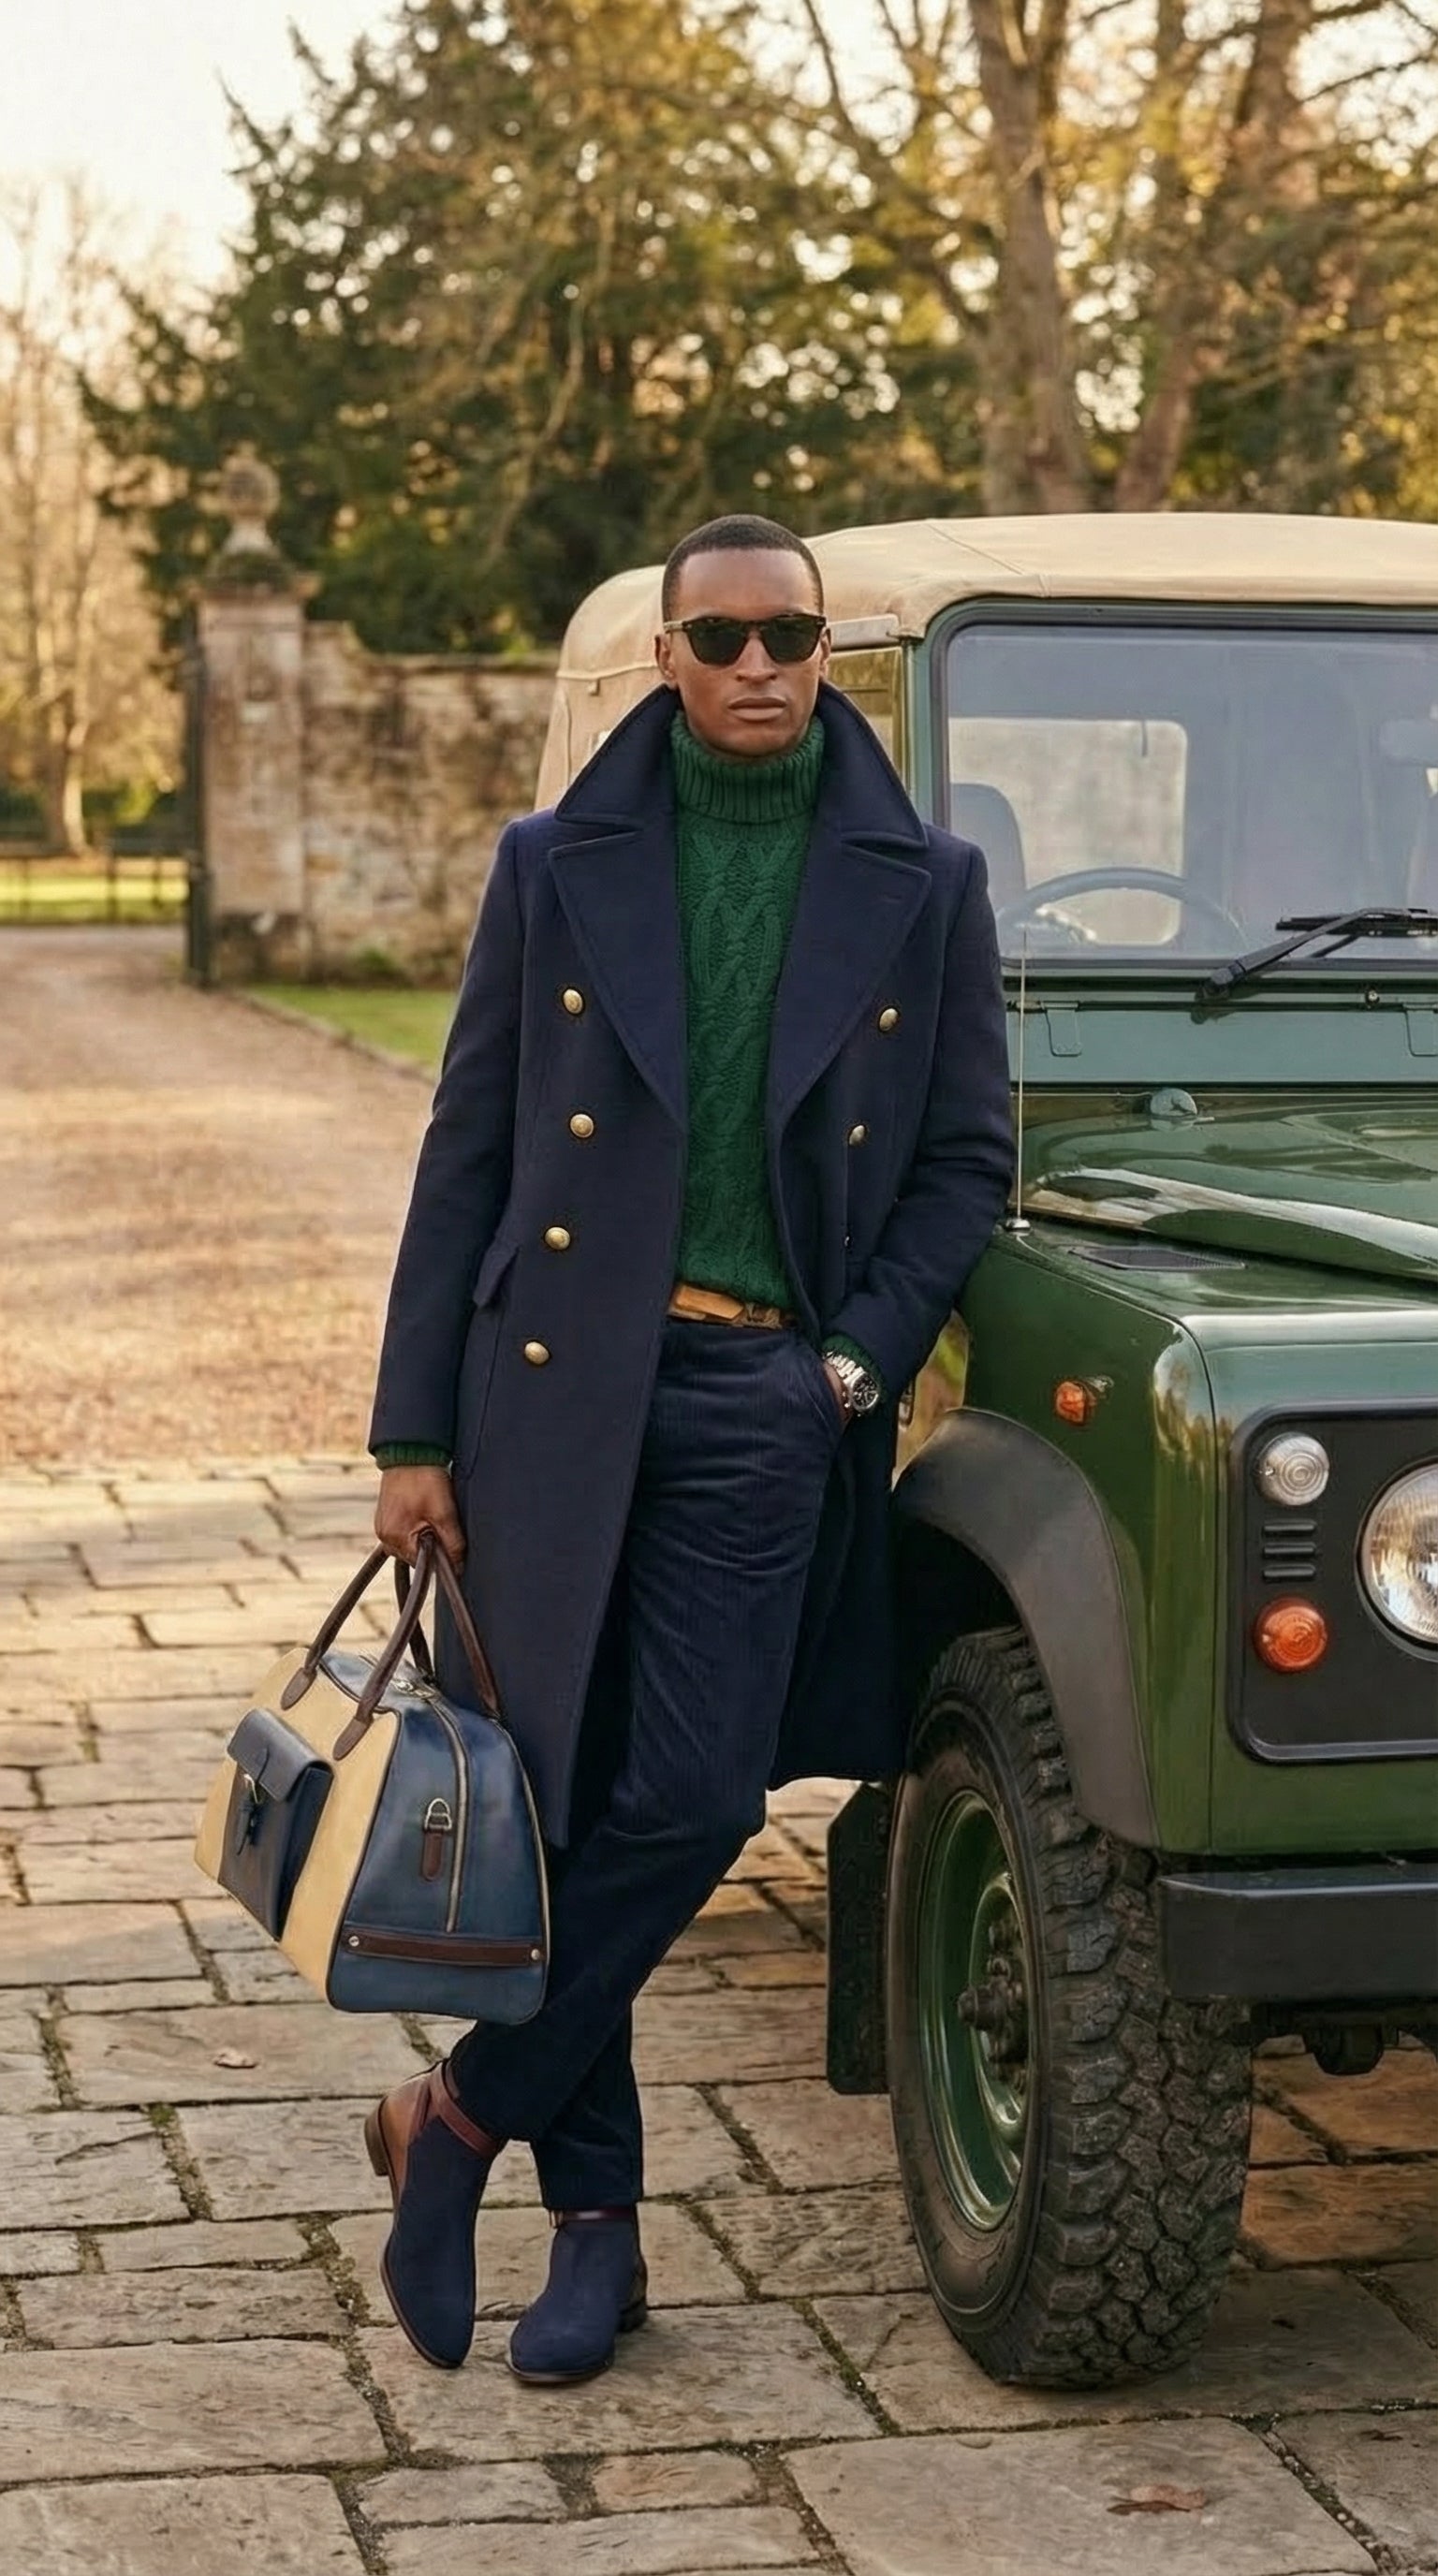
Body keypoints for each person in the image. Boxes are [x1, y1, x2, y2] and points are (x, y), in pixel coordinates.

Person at [365, 513, 1014, 2386]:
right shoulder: (553, 865)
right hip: (549, 1395)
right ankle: (599, 2227)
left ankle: (457, 2122)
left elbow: (969, 1154)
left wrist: (850, 1359)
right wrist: (415, 1422)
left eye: (786, 634)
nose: (754, 664)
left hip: (762, 1395)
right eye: (718, 633)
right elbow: (466, 1149)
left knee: (694, 1797)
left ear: (827, 655)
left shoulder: (926, 879)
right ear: (668, 653)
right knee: (562, 1810)